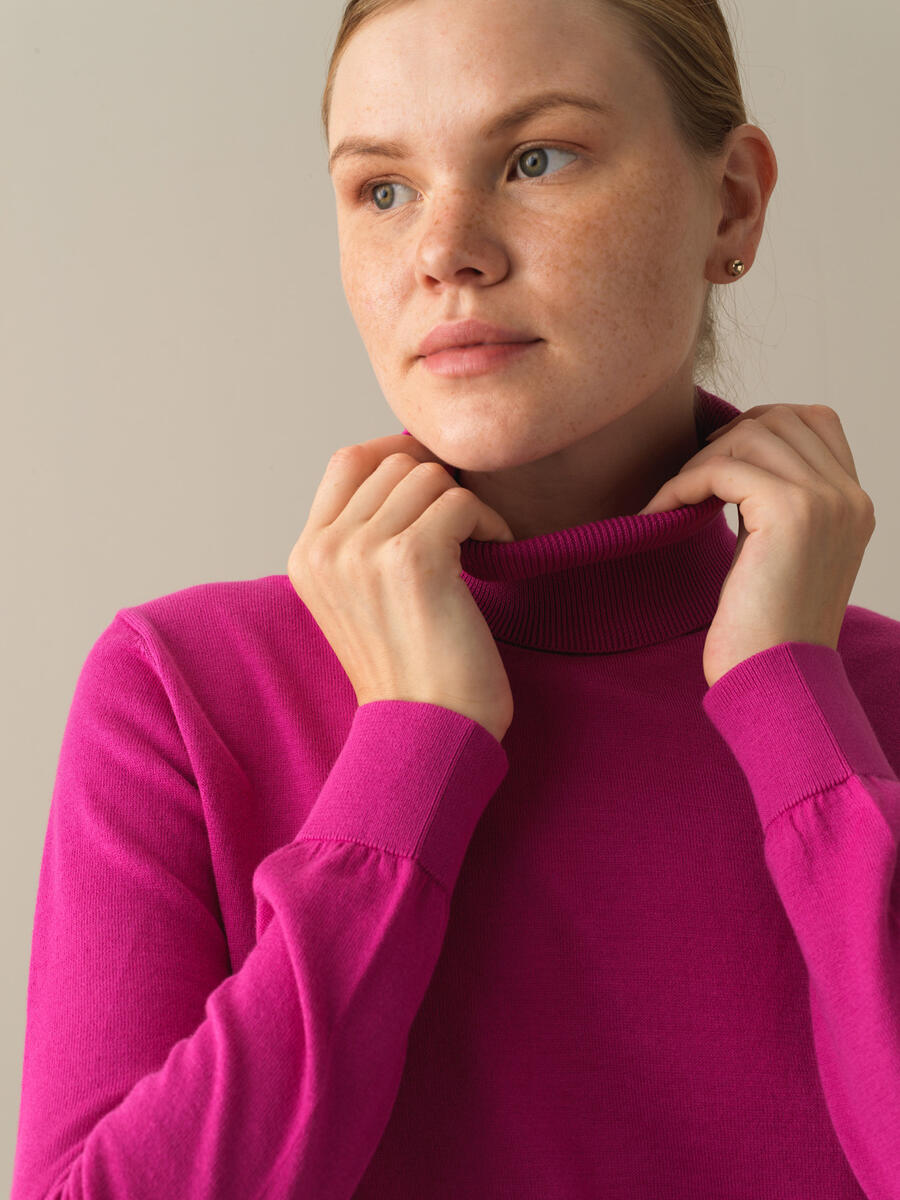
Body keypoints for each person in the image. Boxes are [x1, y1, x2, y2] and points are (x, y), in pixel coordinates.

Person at [11, 1, 900, 1197]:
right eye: (382, 189)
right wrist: (409, 757)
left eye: (537, 159)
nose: (445, 251)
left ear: (732, 203)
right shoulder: (181, 693)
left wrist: (796, 715)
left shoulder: (872, 708)